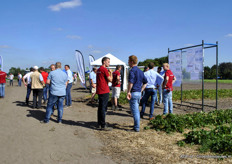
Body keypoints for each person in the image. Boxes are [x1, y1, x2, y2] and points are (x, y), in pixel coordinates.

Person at [127, 55, 147, 132]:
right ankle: (136, 126)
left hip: (134, 92)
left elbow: (131, 82)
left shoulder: (132, 71)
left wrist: (128, 91)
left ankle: (136, 127)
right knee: (136, 110)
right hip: (138, 93)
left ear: (132, 62)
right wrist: (141, 90)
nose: (128, 62)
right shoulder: (141, 71)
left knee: (135, 111)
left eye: (129, 61)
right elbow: (145, 82)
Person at [96, 57, 113, 131]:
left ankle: (99, 123)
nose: (109, 63)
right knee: (103, 108)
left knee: (100, 107)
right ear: (104, 62)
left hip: (100, 90)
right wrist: (111, 73)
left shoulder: (99, 69)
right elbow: (110, 79)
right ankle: (103, 125)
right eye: (108, 62)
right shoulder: (104, 69)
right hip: (104, 90)